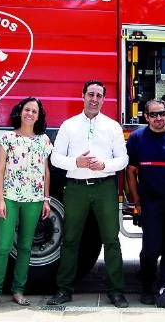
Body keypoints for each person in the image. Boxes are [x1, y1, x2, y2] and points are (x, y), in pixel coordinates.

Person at [46, 80, 129, 308]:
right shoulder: (69, 125)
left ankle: (116, 290)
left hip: (104, 187)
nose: (94, 99)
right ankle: (63, 289)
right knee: (70, 239)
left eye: (98, 95)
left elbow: (123, 159)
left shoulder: (113, 126)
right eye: (90, 94)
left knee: (111, 240)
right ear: (82, 96)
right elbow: (55, 158)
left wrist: (104, 164)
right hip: (75, 189)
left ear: (104, 99)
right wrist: (77, 162)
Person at [0, 97, 52, 308]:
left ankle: (18, 290)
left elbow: (46, 171)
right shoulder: (8, 138)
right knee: (3, 246)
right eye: (27, 109)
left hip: (34, 199)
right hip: (10, 198)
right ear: (20, 112)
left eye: (34, 111)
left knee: (25, 247)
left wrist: (46, 199)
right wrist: (0, 200)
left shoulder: (44, 141)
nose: (30, 114)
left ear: (38, 116)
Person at [126, 99, 165, 312]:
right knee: (150, 249)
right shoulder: (137, 138)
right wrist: (136, 202)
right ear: (146, 117)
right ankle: (146, 285)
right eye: (153, 115)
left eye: (162, 113)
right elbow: (131, 172)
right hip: (150, 203)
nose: (158, 118)